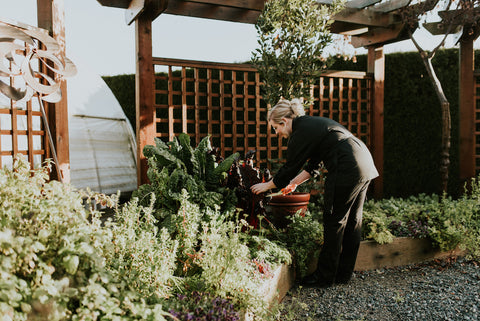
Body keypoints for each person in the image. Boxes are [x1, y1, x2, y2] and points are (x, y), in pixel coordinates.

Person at [250, 98, 379, 287]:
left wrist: (268, 185)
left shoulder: (300, 132)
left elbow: (291, 166)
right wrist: (294, 183)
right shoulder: (311, 125)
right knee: (352, 220)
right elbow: (313, 165)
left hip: (347, 164)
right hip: (363, 160)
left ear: (284, 121)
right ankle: (343, 274)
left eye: (275, 128)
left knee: (334, 220)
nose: (277, 133)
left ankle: (324, 277)